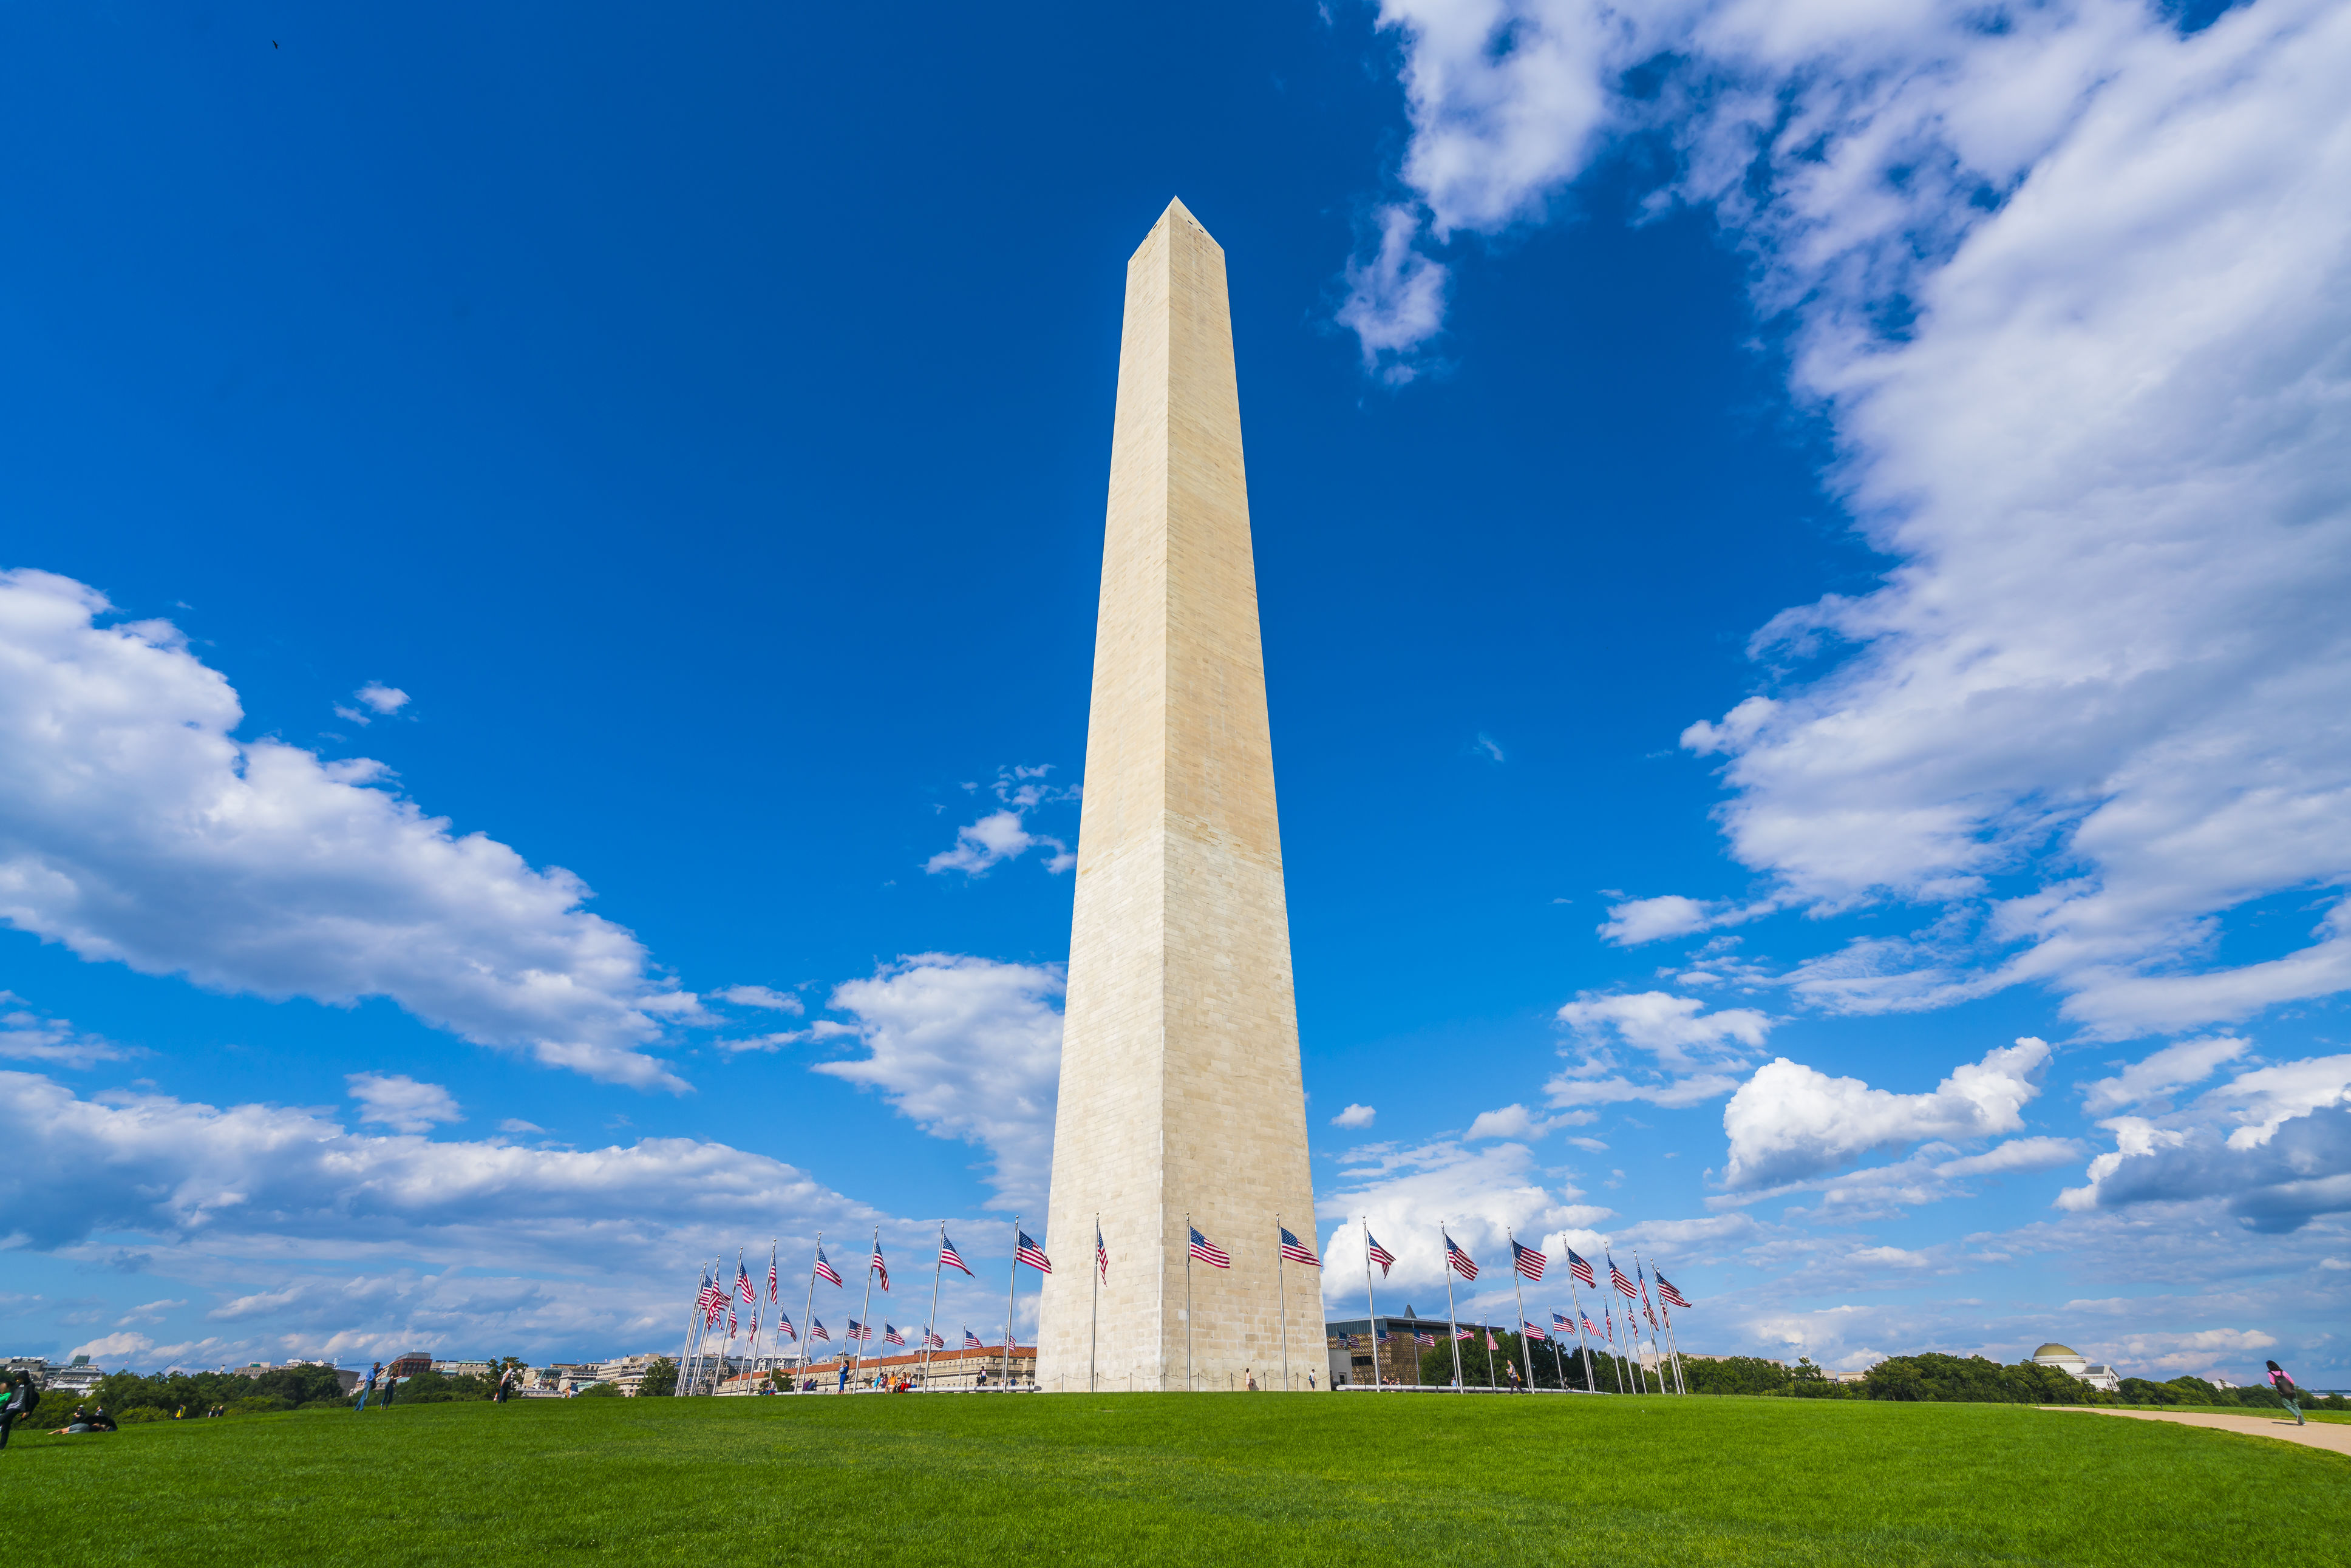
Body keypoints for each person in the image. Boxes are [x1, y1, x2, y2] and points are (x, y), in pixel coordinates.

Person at [1, 1370, 40, 1450]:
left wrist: (28, 1411)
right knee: (5, 1428)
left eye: (19, 1379)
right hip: (9, 1407)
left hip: (16, 1408)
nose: (17, 1380)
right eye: (17, 1379)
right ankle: (1, 1447)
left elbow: (31, 1398)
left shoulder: (30, 1386)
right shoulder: (18, 1385)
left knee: (1, 1421)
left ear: (24, 1378)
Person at [2267, 1360, 2305, 1425]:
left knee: (2287, 1405)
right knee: (2295, 1405)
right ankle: (2303, 1422)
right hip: (2292, 1390)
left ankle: (2297, 1415)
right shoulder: (2283, 1372)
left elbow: (2273, 1383)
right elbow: (2293, 1382)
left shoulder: (2270, 1373)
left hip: (2283, 1392)